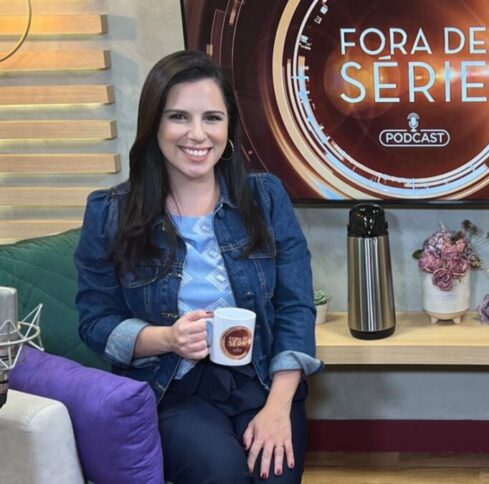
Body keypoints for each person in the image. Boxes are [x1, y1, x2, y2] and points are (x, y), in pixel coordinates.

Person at [74, 50, 321, 483]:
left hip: (262, 381)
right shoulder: (110, 212)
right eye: (178, 117)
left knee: (274, 475)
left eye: (212, 117)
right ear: (154, 125)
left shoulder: (265, 198)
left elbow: (296, 309)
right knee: (222, 474)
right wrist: (165, 338)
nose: (197, 134)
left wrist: (278, 408)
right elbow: (95, 322)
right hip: (173, 388)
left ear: (229, 127)